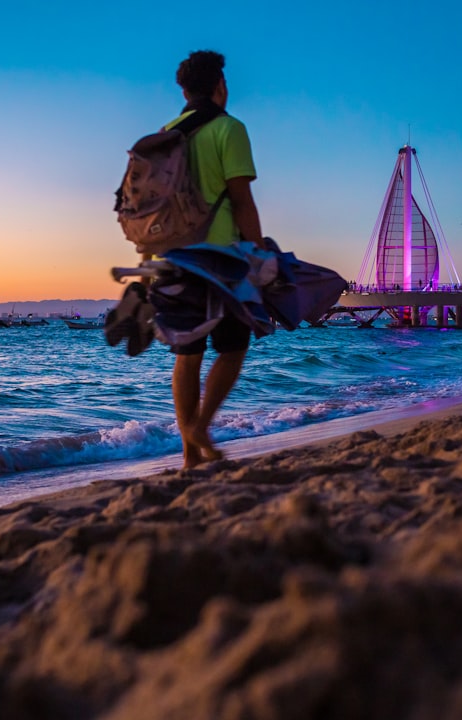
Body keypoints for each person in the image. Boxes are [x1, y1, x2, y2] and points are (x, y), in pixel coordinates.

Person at [152, 50, 265, 469]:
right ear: (221, 86)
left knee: (187, 352)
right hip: (220, 257)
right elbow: (241, 200)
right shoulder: (229, 129)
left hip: (173, 258)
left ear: (183, 91)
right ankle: (199, 427)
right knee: (233, 347)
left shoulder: (166, 133)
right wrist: (256, 250)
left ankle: (190, 455)